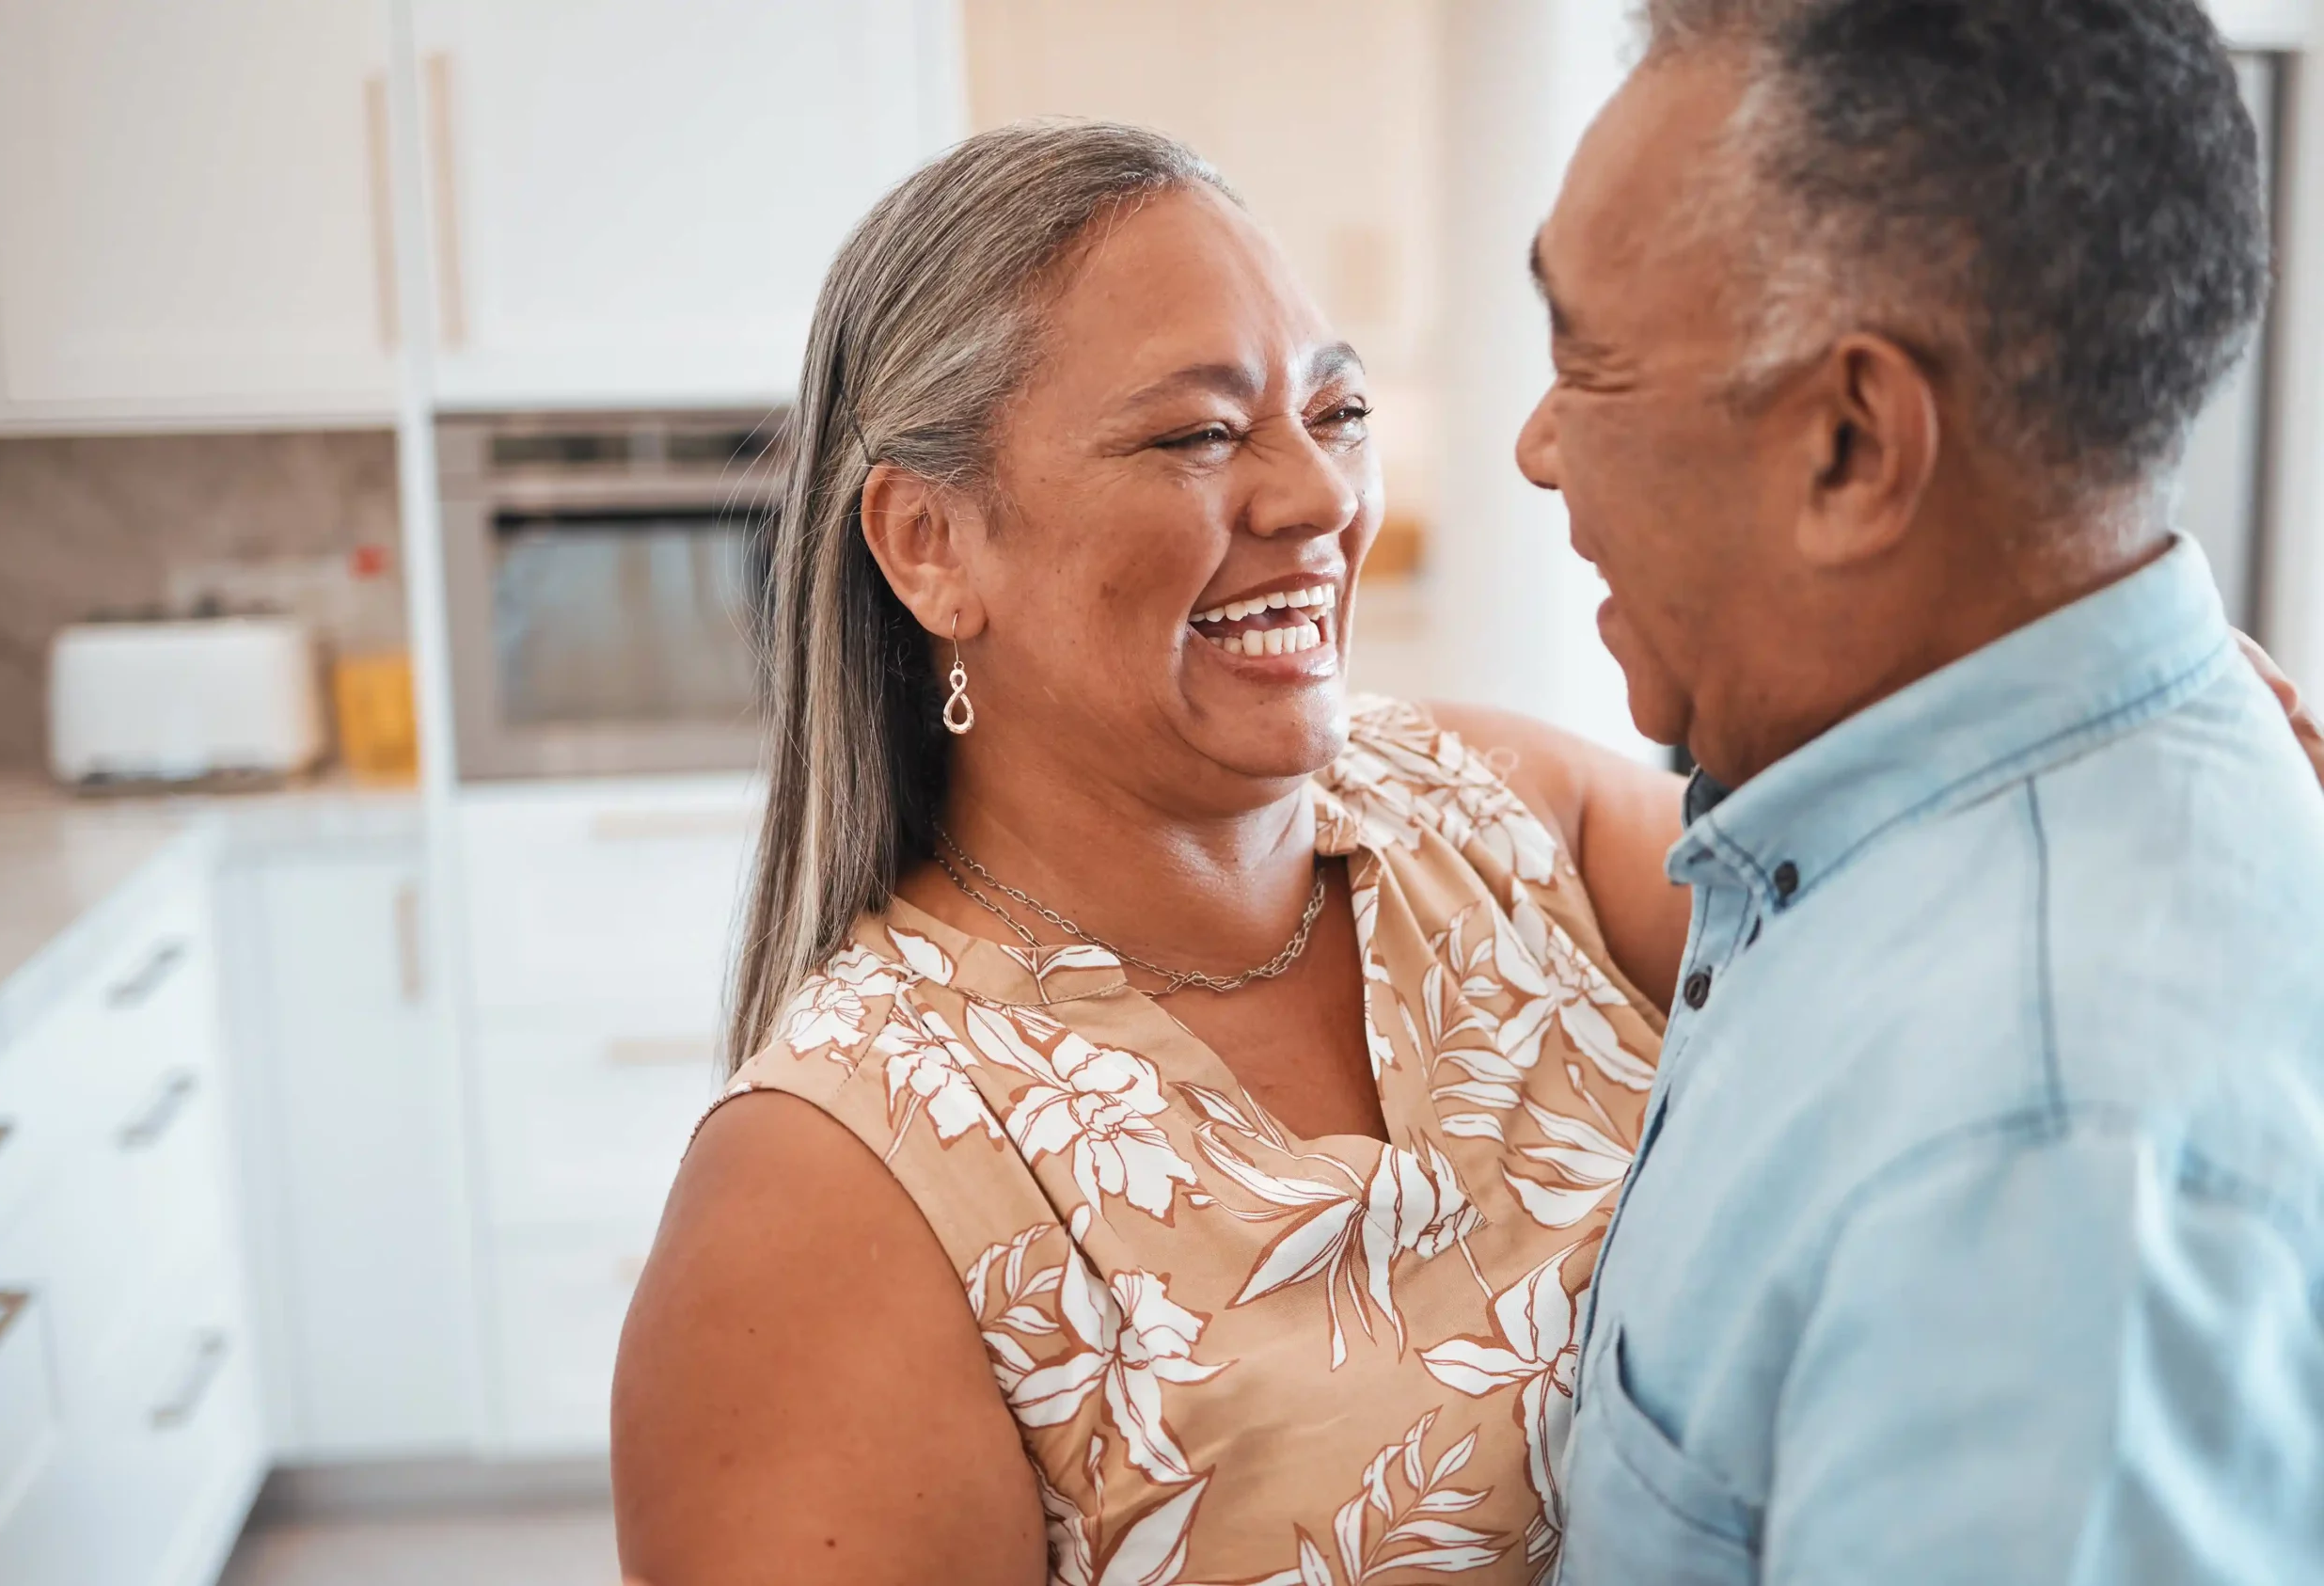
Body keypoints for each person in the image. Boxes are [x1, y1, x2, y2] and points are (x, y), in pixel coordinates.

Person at [610, 119, 2324, 1586]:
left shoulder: (1501, 814)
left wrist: (2120, 699)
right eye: (1199, 433)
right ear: (930, 543)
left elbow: (1938, 920)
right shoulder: (821, 1197)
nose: (1315, 499)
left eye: (1336, 410)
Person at [1521, 3, 2324, 1582]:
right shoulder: (1943, 788)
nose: (1541, 447)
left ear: (1851, 445)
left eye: (1587, 363)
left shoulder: (2038, 1152)